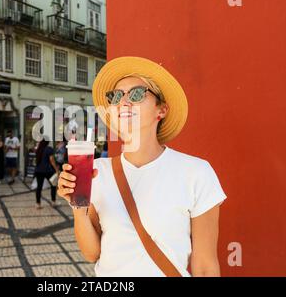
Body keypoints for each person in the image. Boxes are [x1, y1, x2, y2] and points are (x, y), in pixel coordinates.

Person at [58, 56, 227, 277]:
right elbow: (92, 253)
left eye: (137, 94)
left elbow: (205, 266)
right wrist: (78, 210)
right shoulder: (97, 172)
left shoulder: (196, 173)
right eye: (116, 96)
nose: (123, 102)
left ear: (161, 110)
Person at [34, 138, 60, 209]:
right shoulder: (49, 149)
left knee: (39, 187)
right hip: (48, 170)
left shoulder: (38, 149)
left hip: (38, 170)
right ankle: (53, 202)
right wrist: (56, 169)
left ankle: (38, 203)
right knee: (53, 185)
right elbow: (51, 160)